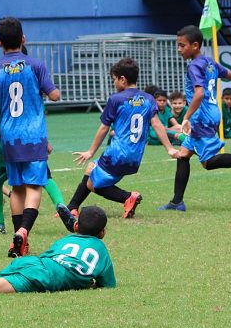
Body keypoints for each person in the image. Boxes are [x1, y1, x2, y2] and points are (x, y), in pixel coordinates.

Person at [0, 17, 65, 258]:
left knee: (17, 187)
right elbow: (54, 96)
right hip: (33, 136)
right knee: (35, 186)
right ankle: (23, 231)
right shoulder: (35, 66)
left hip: (8, 137)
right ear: (23, 39)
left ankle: (19, 240)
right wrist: (51, 89)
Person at [158, 25, 231, 212]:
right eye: (178, 45)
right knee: (184, 154)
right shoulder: (209, 62)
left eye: (182, 45)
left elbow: (199, 93)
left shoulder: (194, 66)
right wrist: (216, 77)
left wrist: (186, 117)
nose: (179, 49)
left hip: (201, 115)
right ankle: (177, 201)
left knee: (208, 162)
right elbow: (230, 75)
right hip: (212, 111)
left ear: (195, 45)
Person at [68, 58, 179, 219]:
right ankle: (72, 208)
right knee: (91, 168)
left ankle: (127, 197)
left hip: (117, 153)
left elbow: (104, 127)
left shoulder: (116, 99)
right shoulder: (148, 99)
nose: (113, 83)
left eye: (114, 79)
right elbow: (157, 124)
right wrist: (169, 148)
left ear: (122, 79)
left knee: (92, 183)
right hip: (135, 157)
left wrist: (91, 150)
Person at [0, 93, 69, 235]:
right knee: (43, 177)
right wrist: (44, 141)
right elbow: (36, 116)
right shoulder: (26, 88)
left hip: (2, 144)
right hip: (26, 141)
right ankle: (60, 204)